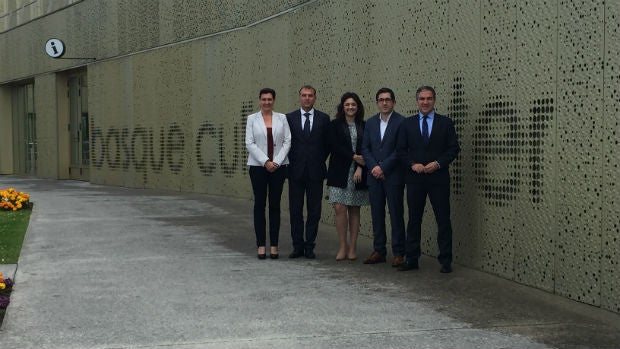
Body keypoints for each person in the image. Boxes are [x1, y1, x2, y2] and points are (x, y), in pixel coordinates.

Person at [396, 85, 460, 273]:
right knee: (414, 220)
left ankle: (446, 260)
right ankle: (412, 259)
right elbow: (400, 150)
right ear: (417, 101)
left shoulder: (446, 123)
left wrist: (439, 163)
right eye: (422, 99)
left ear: (434, 100)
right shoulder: (407, 124)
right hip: (415, 178)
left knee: (443, 219)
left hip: (438, 178)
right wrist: (412, 164)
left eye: (429, 98)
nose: (425, 102)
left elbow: (453, 149)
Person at [360, 87, 407, 267]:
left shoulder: (402, 122)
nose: (385, 102)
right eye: (381, 100)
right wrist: (374, 167)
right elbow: (365, 148)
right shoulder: (370, 123)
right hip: (374, 176)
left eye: (388, 99)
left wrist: (383, 167)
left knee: (396, 214)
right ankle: (379, 250)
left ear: (394, 102)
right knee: (376, 214)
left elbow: (400, 150)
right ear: (377, 103)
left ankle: (399, 253)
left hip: (393, 176)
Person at [245, 88, 291, 259]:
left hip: (279, 167)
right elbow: (249, 143)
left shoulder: (282, 118)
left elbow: (287, 141)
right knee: (259, 205)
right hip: (258, 167)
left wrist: (276, 162)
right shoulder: (251, 119)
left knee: (275, 206)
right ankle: (261, 245)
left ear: (274, 100)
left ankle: (274, 245)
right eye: (263, 99)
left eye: (269, 99)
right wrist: (265, 161)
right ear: (259, 101)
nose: (266, 102)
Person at [286, 85, 331, 259]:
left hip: (316, 171)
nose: (307, 98)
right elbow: (286, 143)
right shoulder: (289, 118)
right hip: (295, 171)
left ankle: (310, 246)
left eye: (310, 95)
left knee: (314, 211)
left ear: (315, 98)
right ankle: (297, 246)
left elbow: (327, 144)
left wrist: (318, 159)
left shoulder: (323, 119)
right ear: (299, 97)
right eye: (304, 95)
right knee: (295, 211)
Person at [326, 92, 370, 261]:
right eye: (347, 104)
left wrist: (360, 166)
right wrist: (353, 157)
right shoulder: (334, 125)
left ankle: (353, 247)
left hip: (358, 173)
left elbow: (366, 148)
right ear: (342, 107)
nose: (350, 107)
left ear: (358, 107)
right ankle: (342, 246)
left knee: (354, 208)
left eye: (353, 104)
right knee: (339, 208)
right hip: (339, 171)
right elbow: (334, 146)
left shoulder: (364, 125)